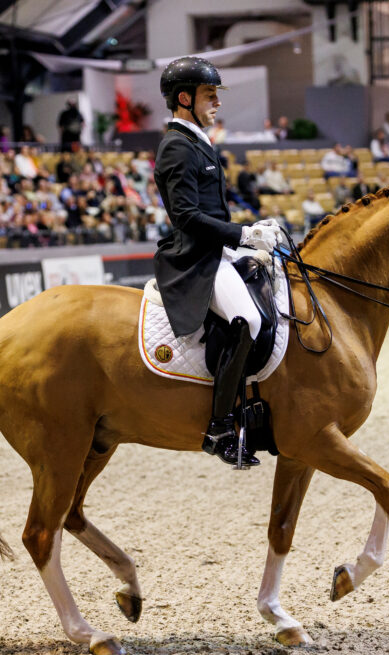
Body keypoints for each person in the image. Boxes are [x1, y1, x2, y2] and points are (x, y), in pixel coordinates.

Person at [154, 56, 283, 468]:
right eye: (211, 95)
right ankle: (221, 427)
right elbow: (187, 216)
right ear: (185, 98)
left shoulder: (196, 140)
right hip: (194, 259)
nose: (217, 103)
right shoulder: (176, 146)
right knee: (250, 319)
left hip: (216, 249)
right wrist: (243, 235)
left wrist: (247, 242)